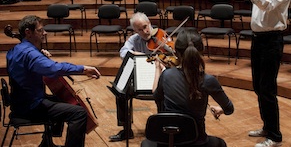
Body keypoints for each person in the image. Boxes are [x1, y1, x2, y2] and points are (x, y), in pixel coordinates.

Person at [214, 0, 291, 147]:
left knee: (267, 89)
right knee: (258, 86)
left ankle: (274, 136)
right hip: (258, 40)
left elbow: (266, 4)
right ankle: (267, 127)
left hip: (272, 40)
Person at [6, 15, 102, 147]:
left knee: (62, 100)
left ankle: (47, 143)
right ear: (28, 32)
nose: (44, 33)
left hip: (20, 101)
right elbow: (53, 69)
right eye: (40, 30)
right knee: (79, 113)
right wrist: (83, 69)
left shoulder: (15, 50)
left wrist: (39, 54)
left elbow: (28, 66)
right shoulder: (30, 54)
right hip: (30, 107)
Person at [152, 29, 234, 146]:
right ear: (201, 51)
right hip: (197, 141)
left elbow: (156, 96)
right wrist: (222, 109)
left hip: (167, 141)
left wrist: (157, 69)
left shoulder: (167, 75)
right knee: (220, 144)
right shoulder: (208, 80)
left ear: (175, 51)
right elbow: (229, 109)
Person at [110, 12, 173, 142]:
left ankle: (163, 129)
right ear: (135, 31)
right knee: (121, 93)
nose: (145, 31)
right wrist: (136, 53)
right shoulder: (134, 39)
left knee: (164, 93)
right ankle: (126, 130)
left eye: (146, 26)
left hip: (160, 79)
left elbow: (172, 55)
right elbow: (123, 52)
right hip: (141, 79)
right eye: (140, 29)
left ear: (149, 23)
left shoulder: (162, 36)